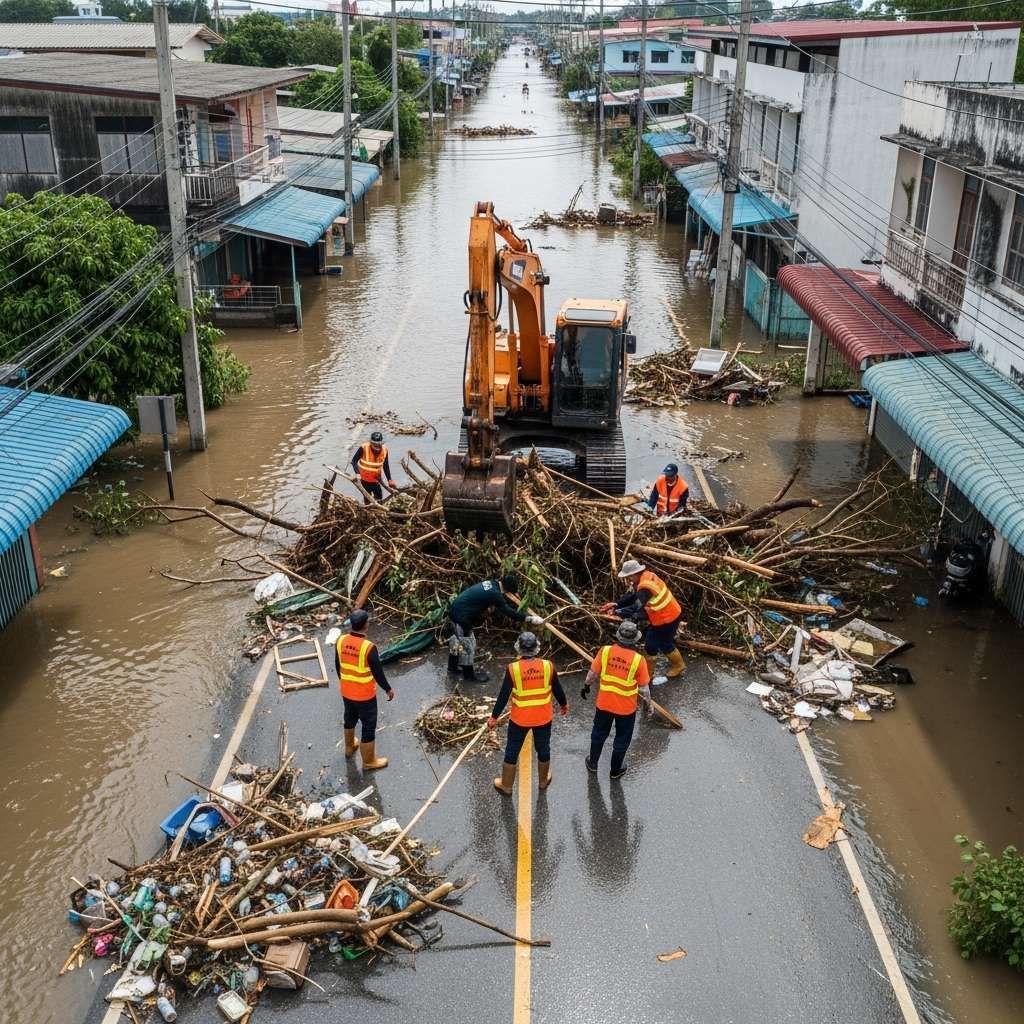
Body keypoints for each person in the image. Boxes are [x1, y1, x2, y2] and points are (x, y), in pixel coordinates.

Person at [488, 631, 568, 795]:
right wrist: (563, 704)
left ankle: (507, 786)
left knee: (512, 749)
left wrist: (494, 717)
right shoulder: (548, 666)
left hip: (519, 720)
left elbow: (503, 695)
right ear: (536, 648)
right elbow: (557, 689)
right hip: (543, 718)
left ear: (519, 649)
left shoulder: (513, 669)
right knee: (543, 748)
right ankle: (543, 781)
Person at [581, 620, 650, 779]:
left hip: (604, 704)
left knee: (598, 733)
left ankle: (592, 763)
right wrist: (648, 706)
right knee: (622, 739)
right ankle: (615, 771)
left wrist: (586, 686)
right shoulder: (639, 660)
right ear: (635, 640)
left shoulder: (605, 651)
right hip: (626, 709)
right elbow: (645, 689)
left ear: (618, 636)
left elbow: (592, 674)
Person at [447, 572, 544, 683]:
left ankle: (452, 667)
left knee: (456, 641)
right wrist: (530, 619)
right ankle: (469, 676)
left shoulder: (492, 583)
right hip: (461, 617)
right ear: (507, 590)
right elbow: (508, 611)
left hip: (455, 610)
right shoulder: (495, 594)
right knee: (468, 644)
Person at [601, 559, 685, 683]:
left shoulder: (645, 586)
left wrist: (617, 612)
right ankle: (679, 665)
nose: (629, 579)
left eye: (629, 576)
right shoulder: (647, 576)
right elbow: (633, 596)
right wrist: (616, 604)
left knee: (651, 646)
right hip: (672, 613)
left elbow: (637, 606)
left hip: (665, 618)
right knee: (665, 642)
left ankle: (647, 678)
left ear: (635, 573)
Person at [335, 608, 394, 771]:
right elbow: (378, 673)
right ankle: (368, 762)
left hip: (346, 691)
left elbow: (337, 665)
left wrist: (346, 683)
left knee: (349, 718)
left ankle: (349, 748)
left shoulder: (340, 641)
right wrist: (388, 689)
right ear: (365, 626)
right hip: (365, 695)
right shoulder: (368, 647)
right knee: (368, 726)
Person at [350, 431, 394, 502]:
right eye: (374, 445)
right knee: (367, 498)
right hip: (364, 479)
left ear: (382, 443)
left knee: (379, 498)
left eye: (379, 445)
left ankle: (378, 510)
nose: (377, 447)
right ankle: (368, 509)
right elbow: (354, 461)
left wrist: (389, 479)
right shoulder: (364, 447)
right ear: (371, 443)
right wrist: (357, 474)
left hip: (376, 480)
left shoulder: (385, 450)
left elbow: (386, 466)